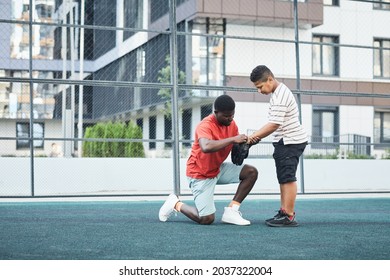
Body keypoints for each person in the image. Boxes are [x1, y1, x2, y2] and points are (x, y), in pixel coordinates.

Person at [159, 95, 259, 225]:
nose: (230, 119)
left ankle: (231, 211)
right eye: (226, 116)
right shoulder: (205, 125)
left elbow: (236, 154)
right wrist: (233, 139)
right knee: (206, 219)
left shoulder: (232, 124)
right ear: (216, 112)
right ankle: (175, 203)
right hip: (200, 174)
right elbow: (206, 147)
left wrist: (247, 145)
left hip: (217, 169)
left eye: (232, 115)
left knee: (251, 172)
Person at [247, 65, 307, 227]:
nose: (259, 91)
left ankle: (288, 216)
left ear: (270, 79)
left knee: (287, 177)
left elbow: (273, 124)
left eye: (260, 87)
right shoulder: (278, 93)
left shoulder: (280, 95)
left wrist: (252, 138)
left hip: (290, 141)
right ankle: (284, 211)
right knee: (283, 178)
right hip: (285, 141)